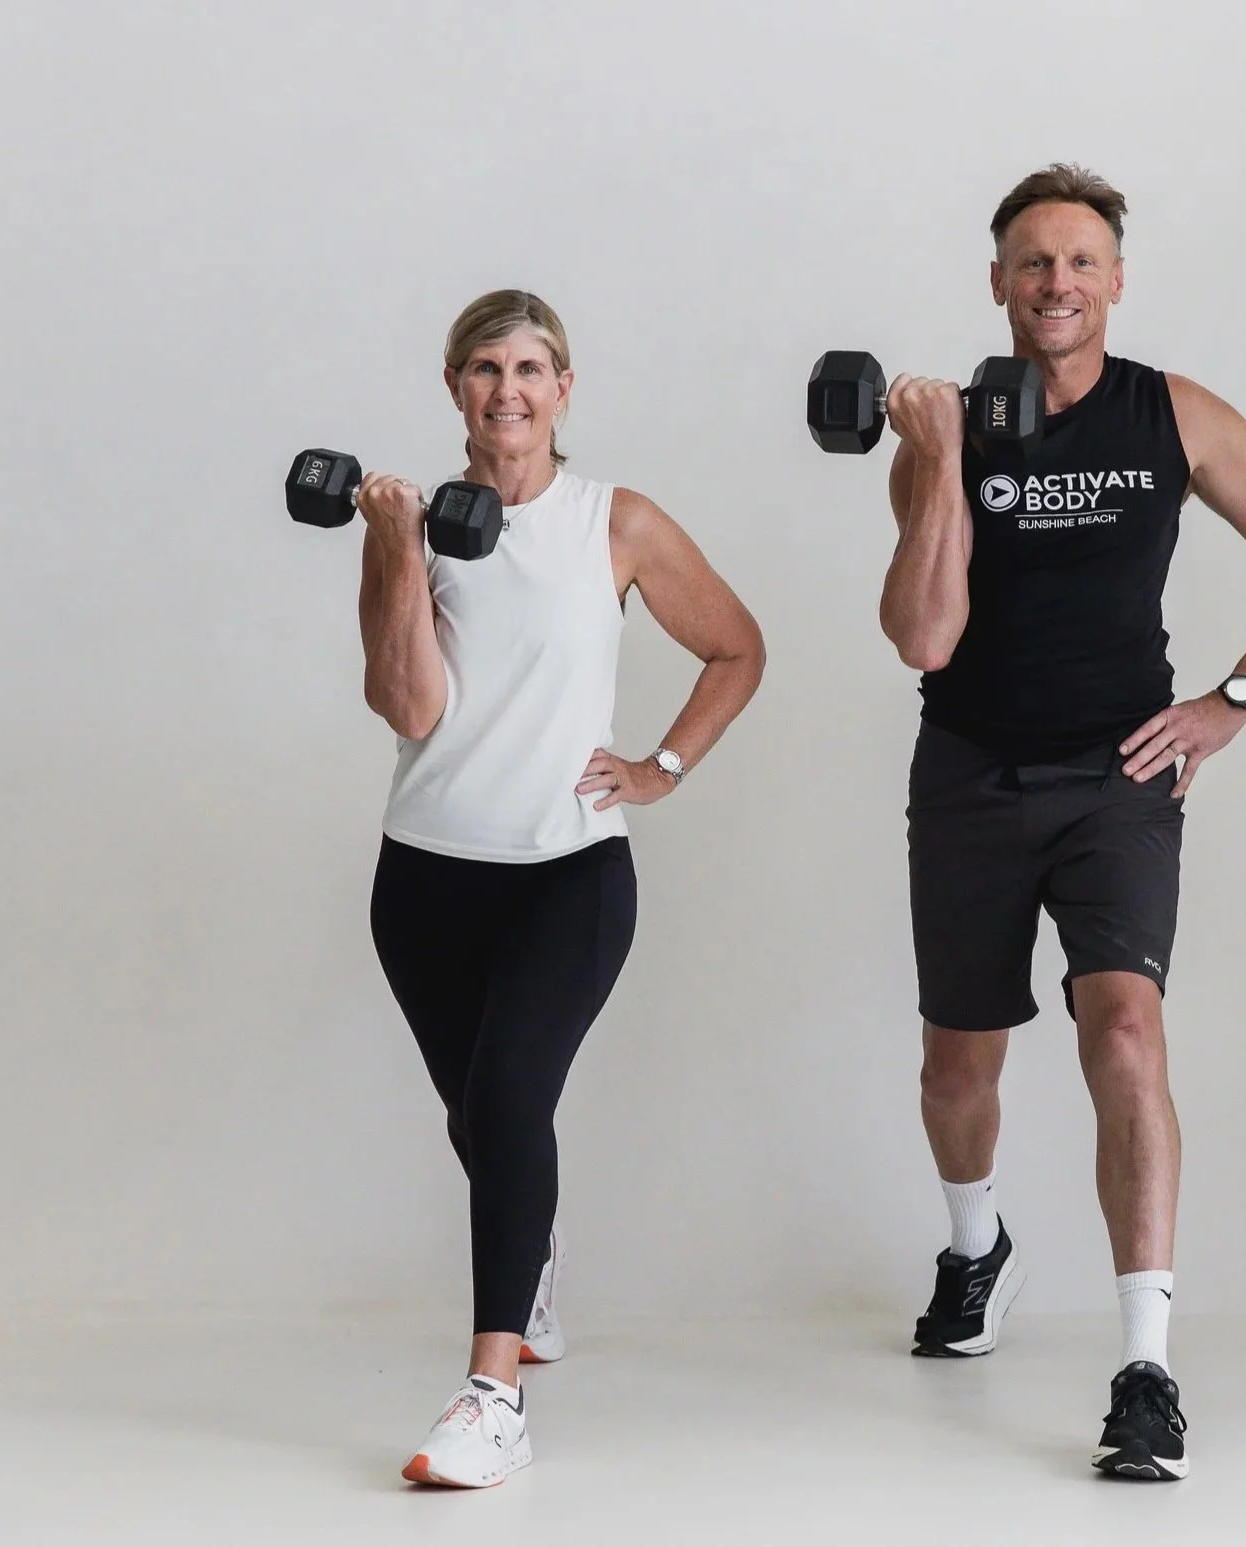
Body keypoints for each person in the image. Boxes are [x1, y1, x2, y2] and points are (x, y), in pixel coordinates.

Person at [878, 165, 1246, 1481]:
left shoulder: (1175, 414)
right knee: (956, 1067)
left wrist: (1231, 700)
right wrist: (939, 458)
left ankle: (1146, 1366)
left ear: (1117, 281)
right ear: (997, 282)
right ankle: (976, 1246)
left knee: (1127, 1033)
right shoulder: (952, 426)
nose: (1058, 283)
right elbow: (923, 634)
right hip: (970, 771)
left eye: (1081, 261)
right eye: (1034, 262)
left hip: (1118, 777)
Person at [356, 290, 764, 1487]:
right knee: (479, 1116)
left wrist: (662, 765)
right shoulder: (416, 526)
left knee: (509, 1096)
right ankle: (532, 1258)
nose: (509, 390)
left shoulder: (613, 521)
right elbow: (409, 705)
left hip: (567, 875)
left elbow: (736, 644)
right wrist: (396, 545)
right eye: (486, 368)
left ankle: (494, 1396)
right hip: (424, 879)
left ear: (564, 390)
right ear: (454, 388)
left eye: (531, 368)